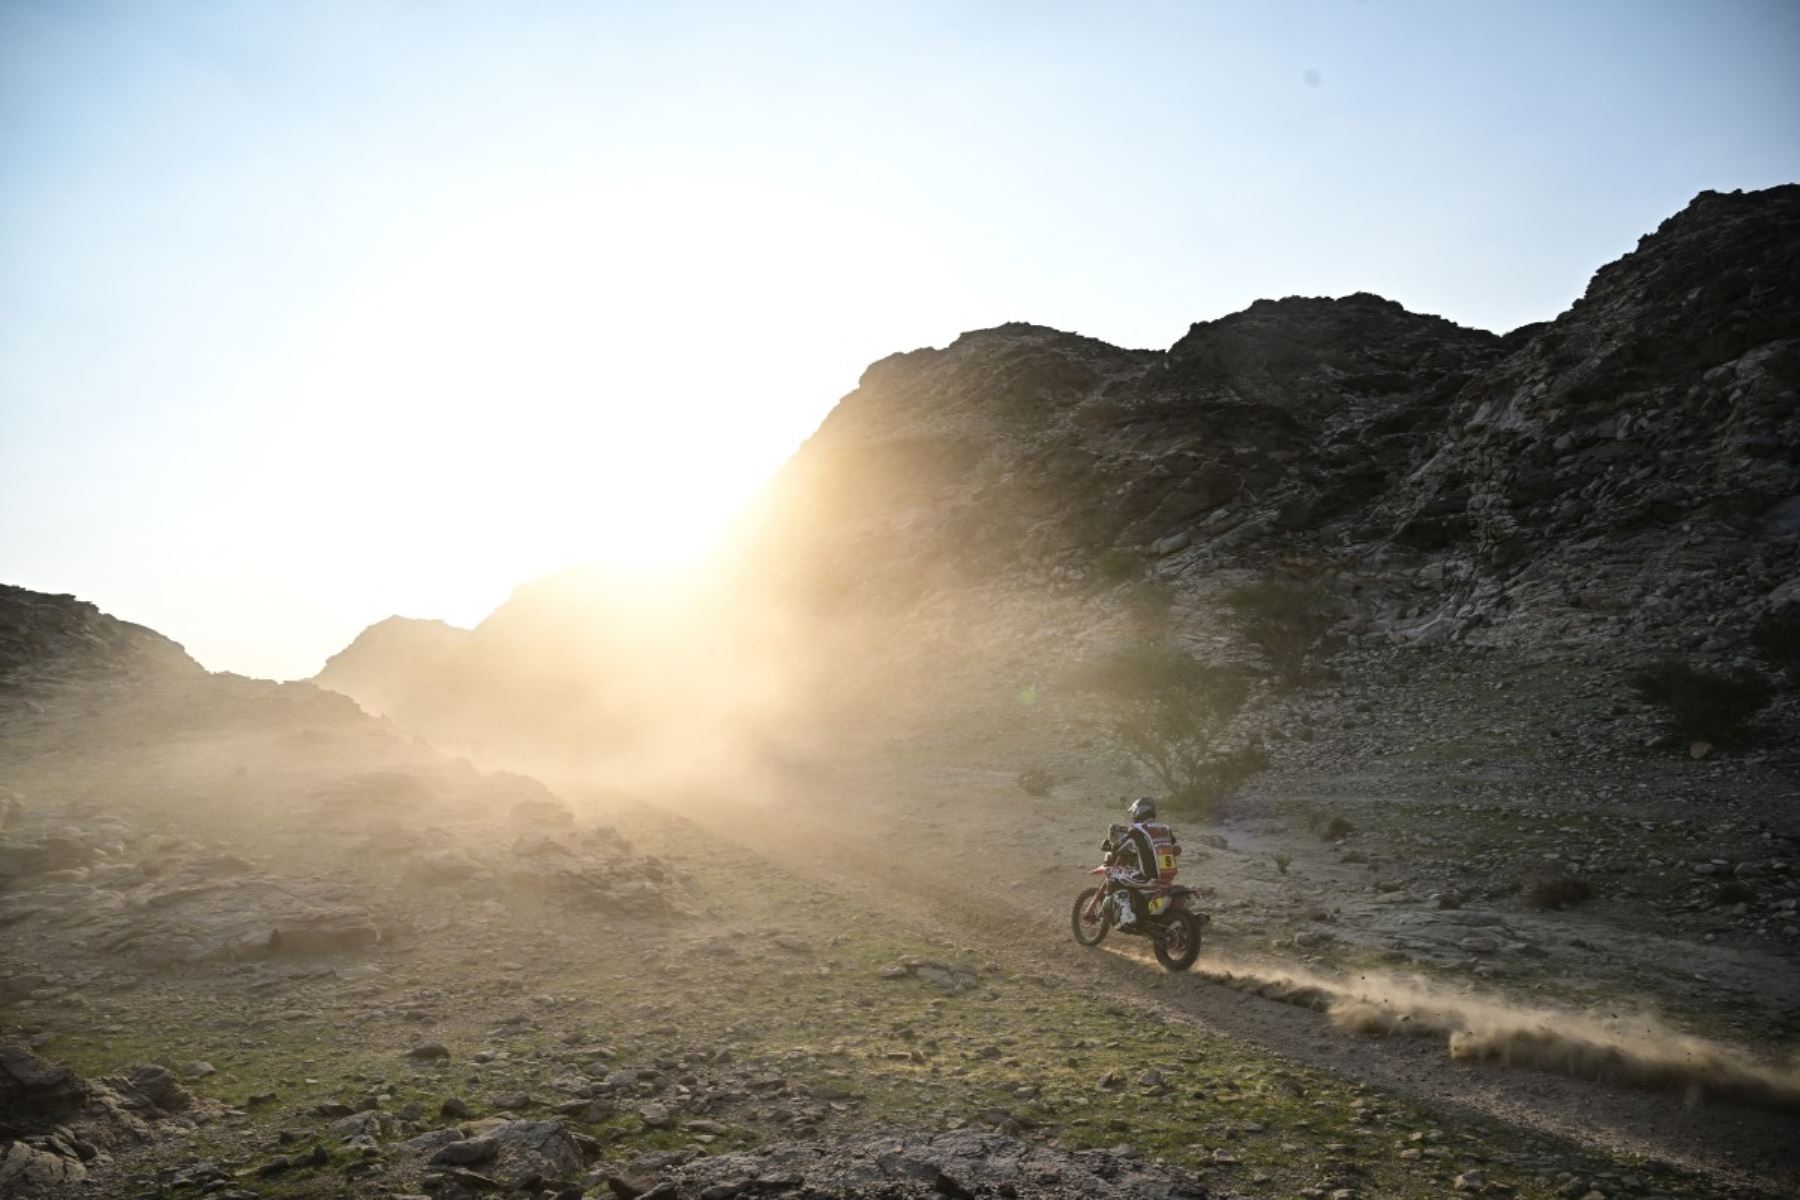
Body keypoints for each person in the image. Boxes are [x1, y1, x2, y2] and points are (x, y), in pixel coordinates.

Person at [1100, 796, 1181, 928]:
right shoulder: (1165, 828)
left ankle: (1126, 914)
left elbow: (1119, 847)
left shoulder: (1137, 830)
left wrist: (1113, 849)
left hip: (1148, 876)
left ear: (1138, 811)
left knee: (1114, 876)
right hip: (1168, 877)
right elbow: (1177, 849)